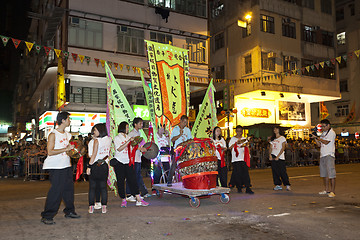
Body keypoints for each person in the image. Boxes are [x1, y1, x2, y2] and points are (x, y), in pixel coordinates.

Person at [41, 111, 80, 225]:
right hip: (55, 166)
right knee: (56, 191)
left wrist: (73, 151)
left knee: (68, 190)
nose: (69, 121)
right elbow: (50, 151)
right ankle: (47, 216)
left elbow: (67, 150)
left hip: (66, 165)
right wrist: (66, 149)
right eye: (68, 119)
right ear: (62, 120)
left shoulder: (68, 135)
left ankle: (69, 211)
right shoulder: (53, 134)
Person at [113, 121, 149, 207]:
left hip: (128, 161)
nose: (128, 129)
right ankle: (123, 199)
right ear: (122, 128)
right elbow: (119, 149)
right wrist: (128, 141)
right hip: (119, 162)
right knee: (120, 182)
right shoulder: (117, 138)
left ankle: (138, 199)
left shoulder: (128, 137)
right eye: (127, 127)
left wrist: (139, 147)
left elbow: (133, 147)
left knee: (133, 180)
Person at [87, 123, 112, 214]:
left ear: (100, 130)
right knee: (103, 187)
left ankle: (91, 207)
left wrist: (89, 166)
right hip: (104, 165)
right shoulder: (109, 139)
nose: (94, 132)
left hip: (95, 165)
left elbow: (92, 155)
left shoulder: (96, 141)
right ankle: (104, 207)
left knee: (92, 187)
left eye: (95, 130)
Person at [311, 119, 337, 198]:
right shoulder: (324, 133)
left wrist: (317, 137)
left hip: (329, 155)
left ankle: (332, 191)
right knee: (324, 174)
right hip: (322, 155)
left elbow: (326, 142)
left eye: (323, 126)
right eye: (321, 126)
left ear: (328, 125)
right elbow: (319, 145)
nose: (322, 128)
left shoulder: (332, 133)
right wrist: (315, 138)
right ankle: (326, 190)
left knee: (331, 174)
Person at [126, 118, 150, 200]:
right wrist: (140, 149)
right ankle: (129, 194)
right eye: (140, 123)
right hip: (133, 158)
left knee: (137, 176)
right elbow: (131, 145)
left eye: (142, 123)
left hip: (138, 157)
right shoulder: (132, 133)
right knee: (132, 176)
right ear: (135, 124)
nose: (142, 125)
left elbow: (140, 144)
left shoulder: (139, 133)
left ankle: (141, 192)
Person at [167, 115, 192, 186]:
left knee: (186, 165)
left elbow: (190, 139)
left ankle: (187, 181)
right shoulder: (175, 129)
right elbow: (172, 139)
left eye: (186, 123)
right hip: (177, 149)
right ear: (180, 121)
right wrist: (180, 135)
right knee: (174, 165)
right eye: (184, 122)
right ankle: (169, 181)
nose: (185, 124)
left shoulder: (187, 130)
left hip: (185, 149)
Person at [228, 125, 254, 194]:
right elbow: (229, 148)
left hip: (243, 158)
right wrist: (236, 143)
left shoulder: (244, 138)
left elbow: (246, 147)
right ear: (236, 131)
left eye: (241, 131)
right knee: (237, 174)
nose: (239, 133)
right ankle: (239, 187)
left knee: (245, 173)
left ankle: (248, 187)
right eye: (238, 131)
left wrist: (248, 155)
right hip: (235, 159)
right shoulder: (233, 139)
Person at [269, 127, 291, 191]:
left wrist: (278, 156)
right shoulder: (272, 139)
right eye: (274, 129)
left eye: (276, 129)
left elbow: (283, 147)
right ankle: (278, 185)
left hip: (280, 157)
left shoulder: (282, 138)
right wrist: (270, 155)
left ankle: (287, 185)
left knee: (282, 172)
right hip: (273, 155)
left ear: (279, 130)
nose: (275, 130)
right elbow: (270, 147)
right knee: (275, 172)